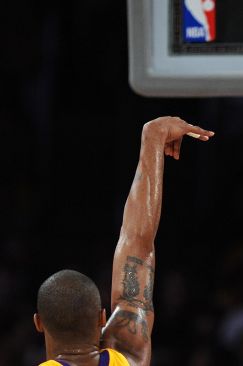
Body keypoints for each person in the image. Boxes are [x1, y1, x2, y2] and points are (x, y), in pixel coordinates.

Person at [34, 117, 215, 366]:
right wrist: (153, 137)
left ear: (38, 323)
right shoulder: (128, 356)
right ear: (102, 318)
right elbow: (138, 243)